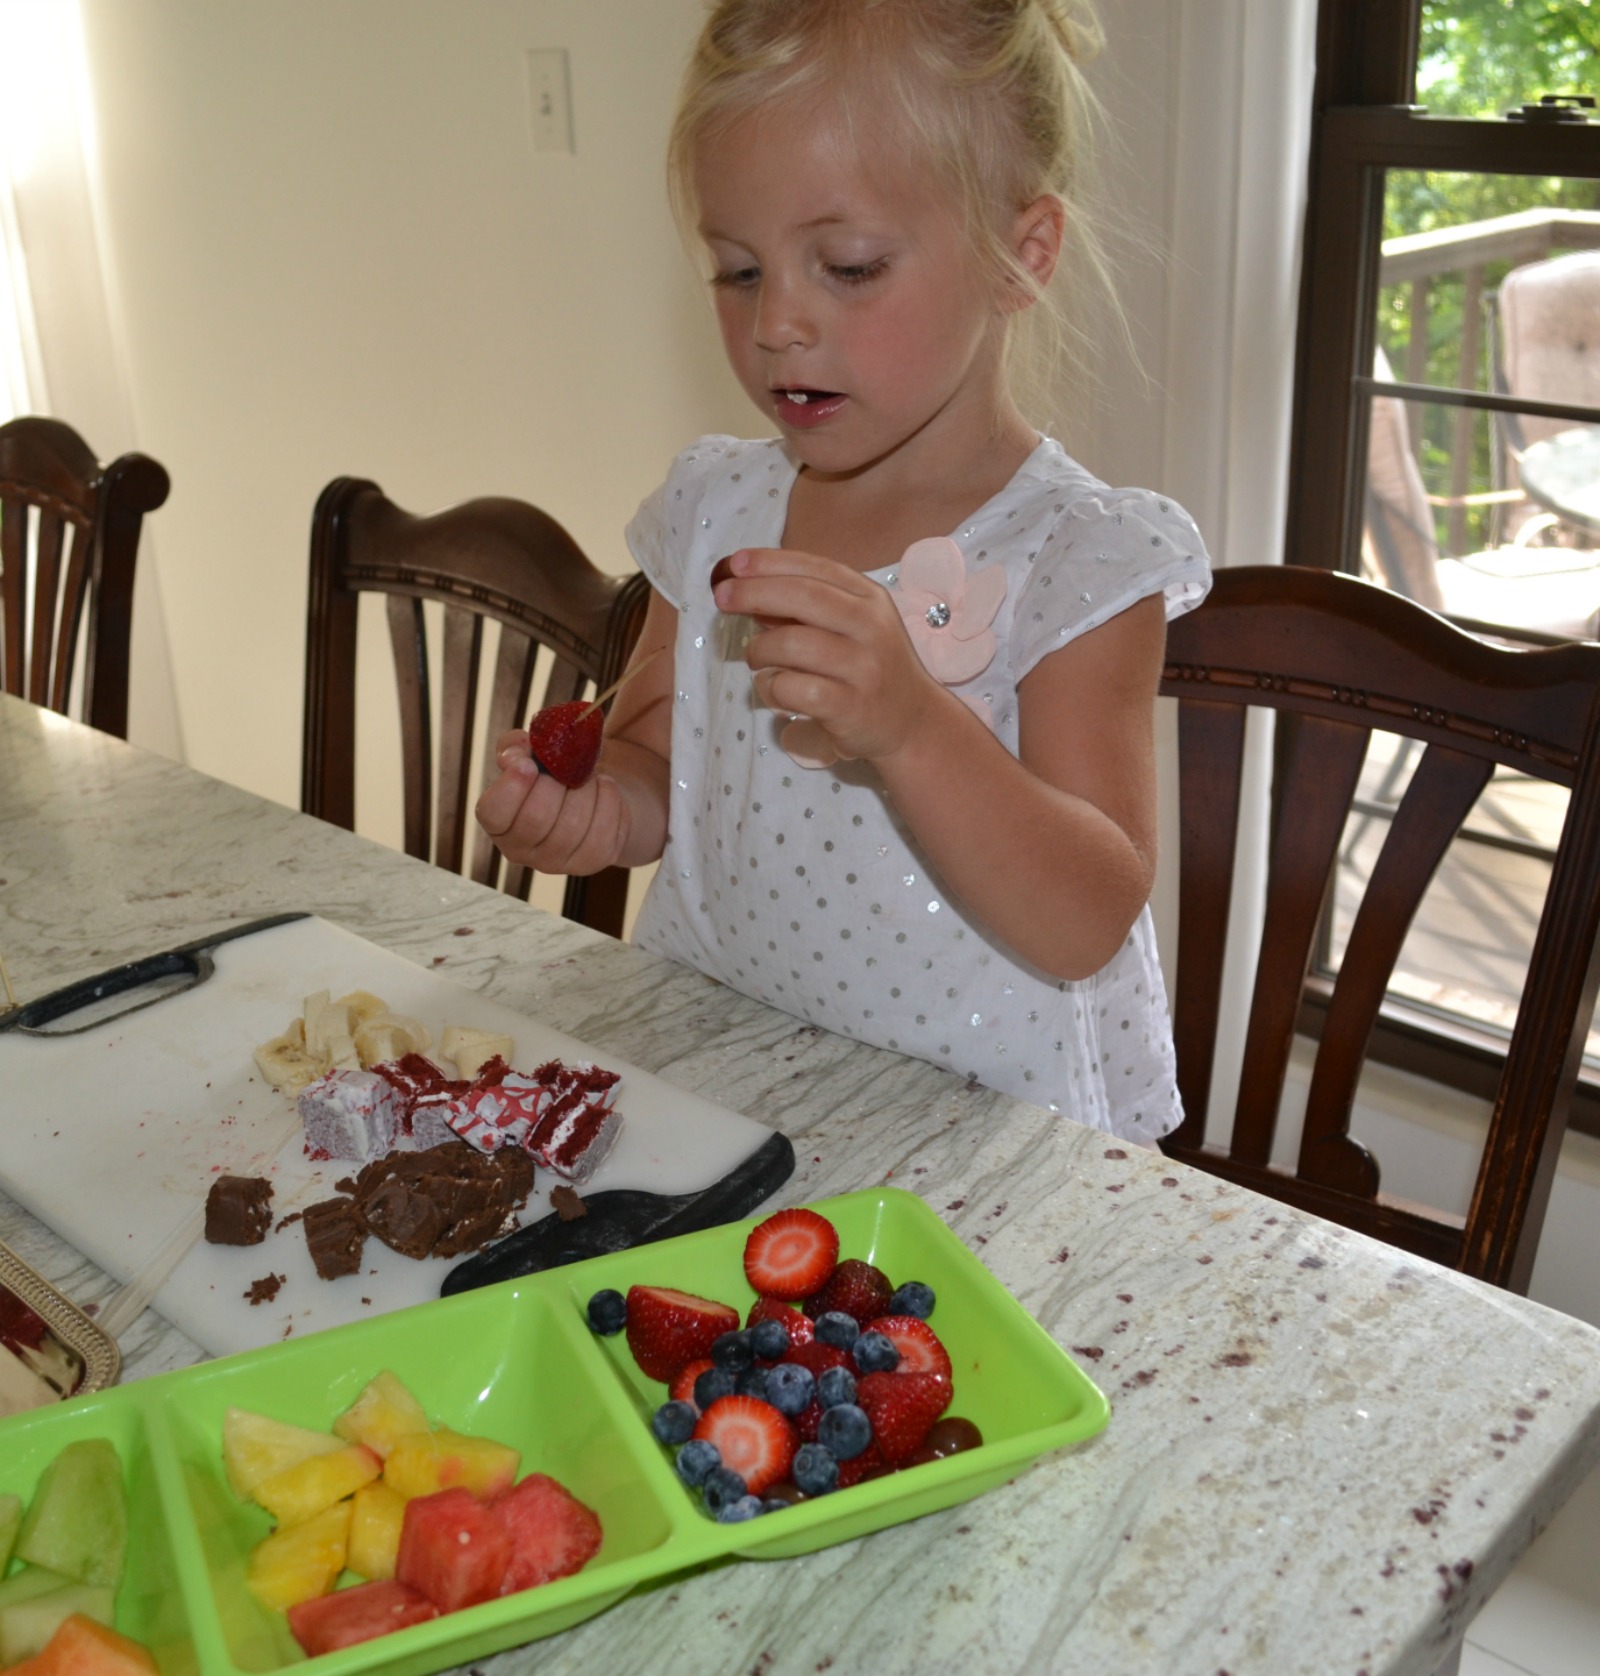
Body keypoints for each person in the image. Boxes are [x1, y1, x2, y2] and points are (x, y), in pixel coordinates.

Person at [476, 0, 1210, 1144]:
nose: (777, 323)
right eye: (736, 269)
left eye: (850, 266)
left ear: (1021, 257)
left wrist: (916, 728)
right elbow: (660, 762)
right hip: (725, 1100)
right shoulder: (717, 508)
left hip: (987, 1148)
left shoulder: (1076, 557)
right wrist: (592, 811)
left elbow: (1088, 918)